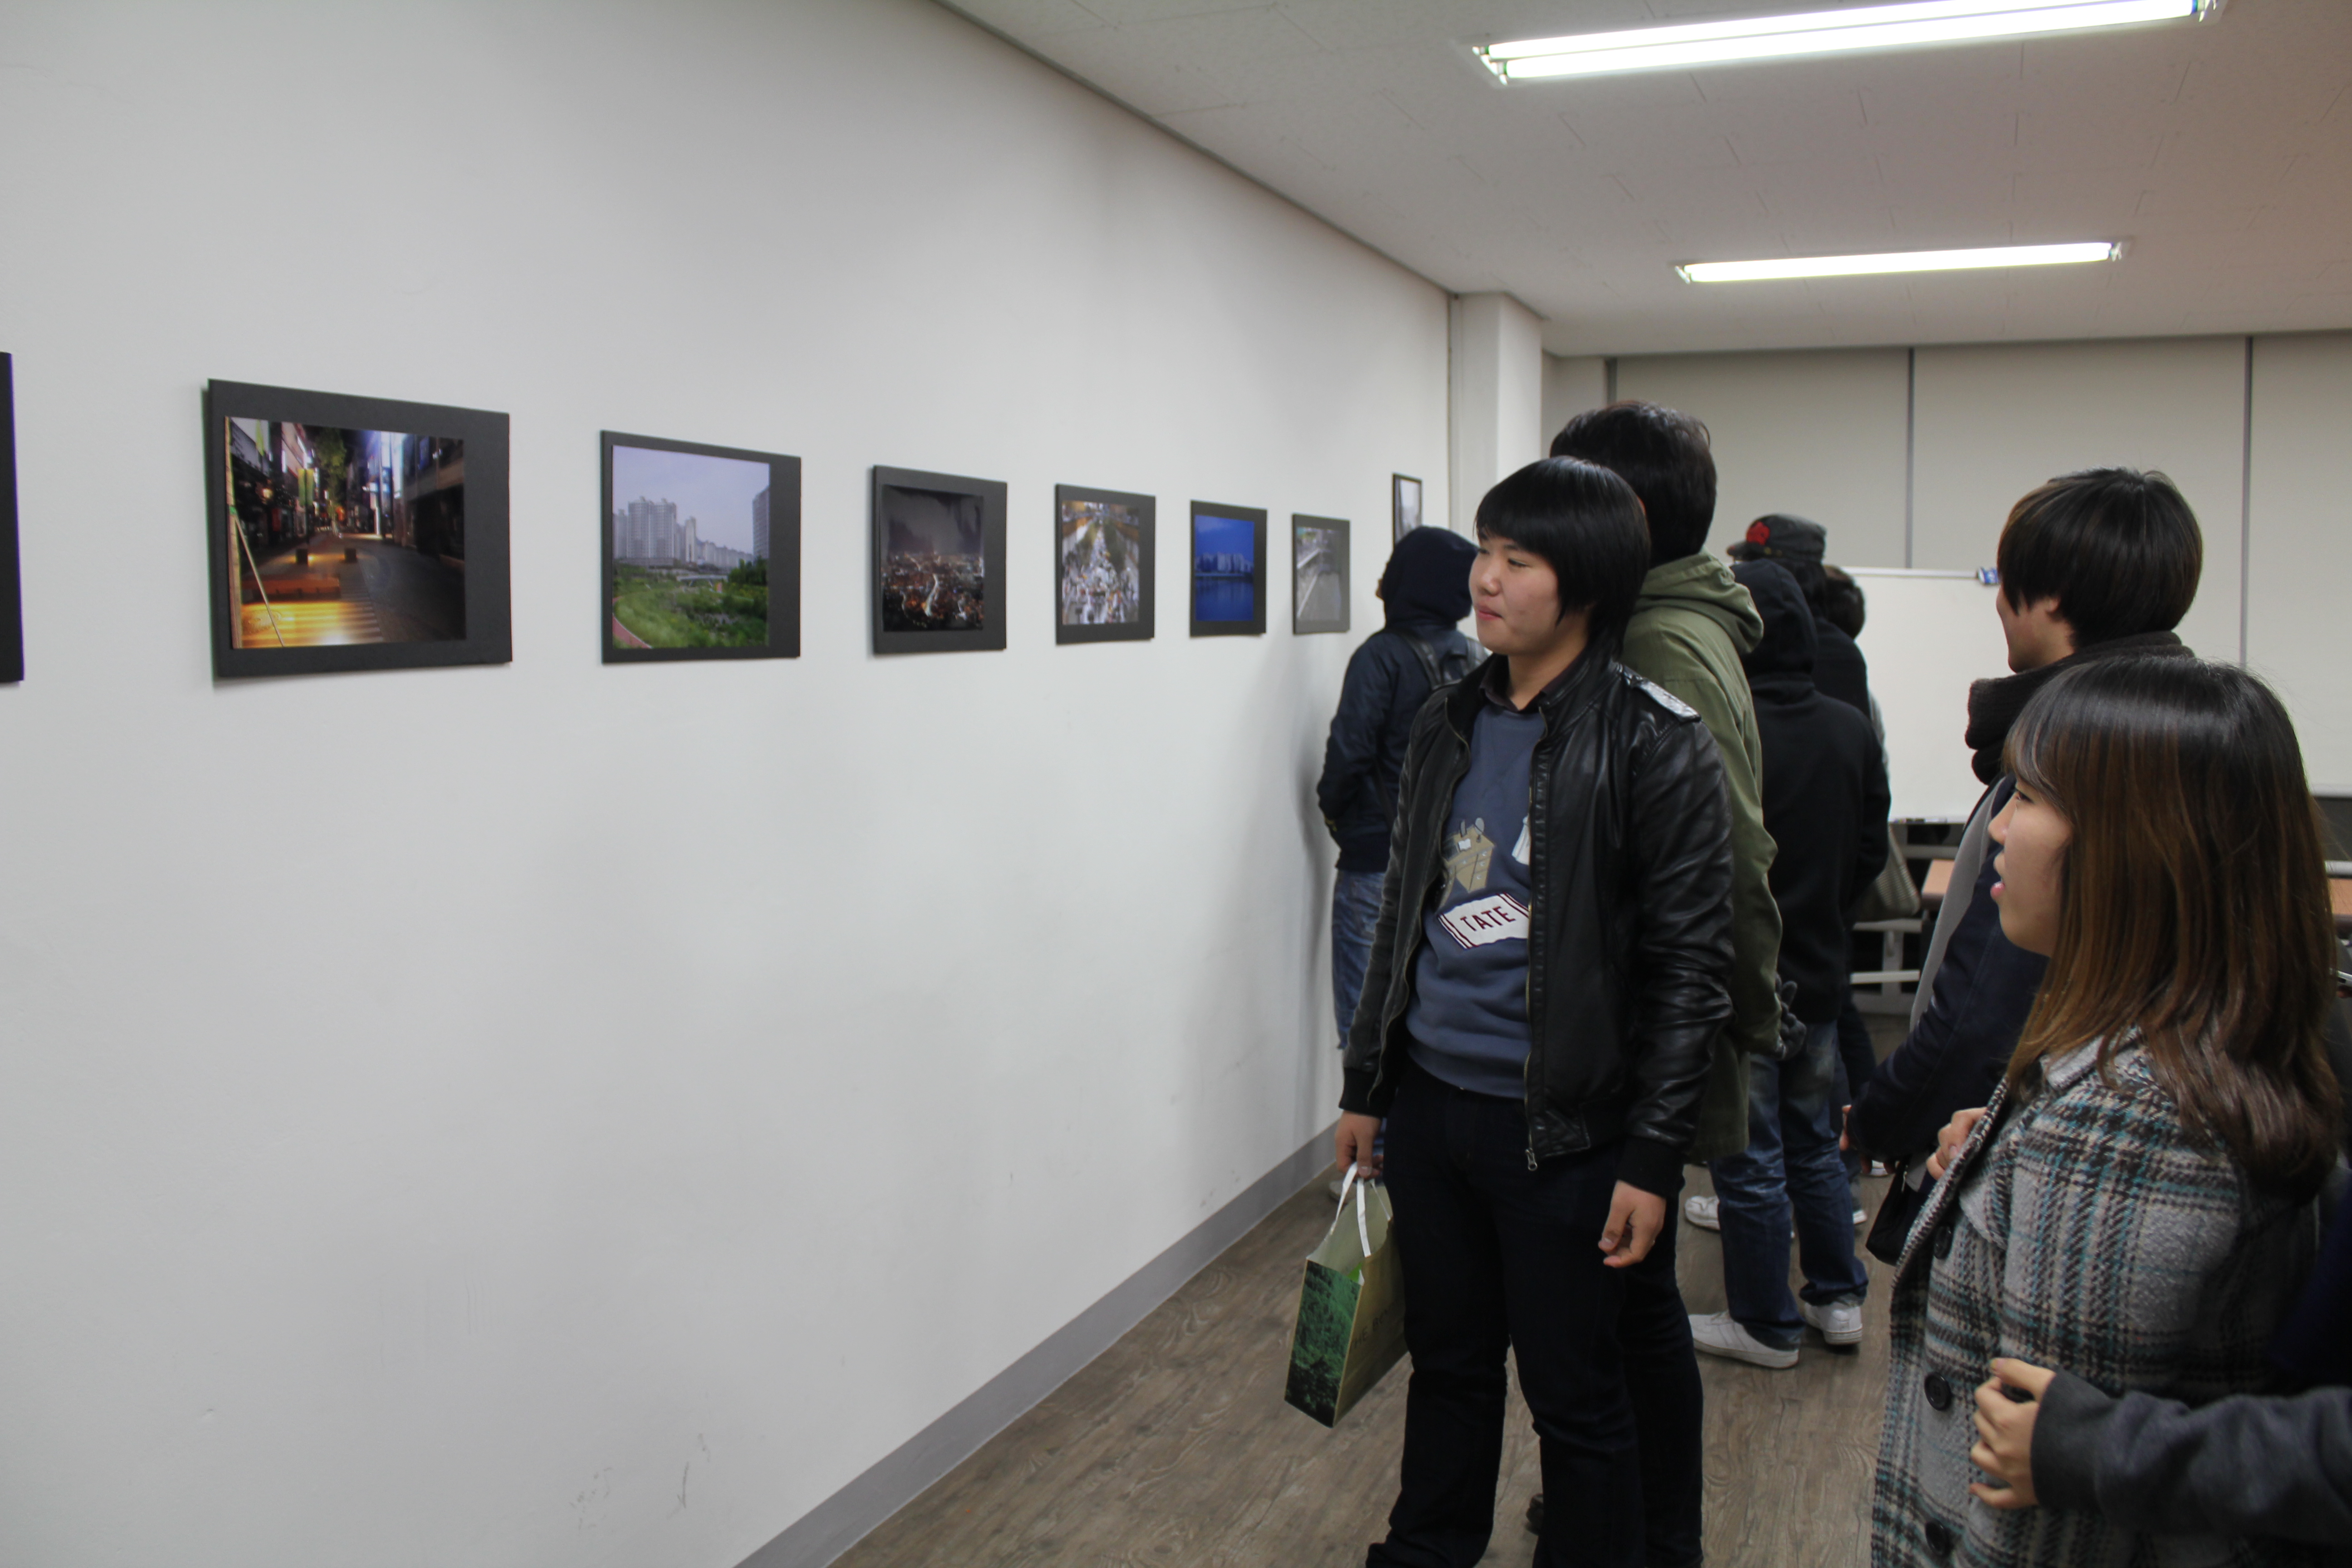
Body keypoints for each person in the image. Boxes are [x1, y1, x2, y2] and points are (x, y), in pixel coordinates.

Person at [1333, 456, 1735, 1568]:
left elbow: (1691, 971)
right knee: (1448, 1364)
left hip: (1562, 1131)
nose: (1486, 578)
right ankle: (1426, 1548)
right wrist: (1367, 1085)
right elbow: (1405, 915)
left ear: (1587, 584)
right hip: (1432, 1108)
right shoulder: (1448, 716)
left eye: (1519, 559)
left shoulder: (1654, 738)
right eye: (1484, 550)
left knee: (1576, 1396)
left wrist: (1651, 1159)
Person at [1872, 656, 2342, 1568]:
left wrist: (2053, 1159)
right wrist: (2004, 1166)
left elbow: (2042, 1523)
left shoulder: (2125, 1118)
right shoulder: (2198, 1045)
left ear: (2134, 846)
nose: (1998, 828)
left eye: (2028, 799)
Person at [1544, 401, 1781, 1567]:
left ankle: (1648, 1533)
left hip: (1639, 1039)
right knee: (1624, 1306)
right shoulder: (1667, 622)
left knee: (1624, 1313)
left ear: (1623, 518)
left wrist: (1744, 1020)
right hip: (1634, 1029)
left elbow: (1725, 862)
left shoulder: (1657, 647)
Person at [1850, 469, 2203, 1244]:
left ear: (2049, 596)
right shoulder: (2186, 735)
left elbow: (1984, 1005)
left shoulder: (2071, 757)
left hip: (2024, 1148)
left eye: (2005, 583)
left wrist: (1884, 1116)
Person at [1686, 561, 1887, 1369]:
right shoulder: (1849, 727)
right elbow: (1870, 850)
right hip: (1824, 968)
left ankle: (1765, 1323)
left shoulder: (1727, 729)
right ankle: (1838, 1299)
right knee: (1813, 1142)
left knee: (1749, 1152)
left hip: (1749, 976)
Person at [1317, 526, 1480, 1077]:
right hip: (1463, 860)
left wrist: (1338, 818)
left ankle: (1375, 1134)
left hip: (1378, 859)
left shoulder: (1381, 656)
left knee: (1369, 1024)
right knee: (1443, 1011)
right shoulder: (1480, 657)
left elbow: (1348, 756)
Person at [1727, 513, 1869, 718]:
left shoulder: (1739, 641)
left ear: (1789, 575)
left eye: (1753, 563)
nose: (1742, 572)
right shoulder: (1843, 652)